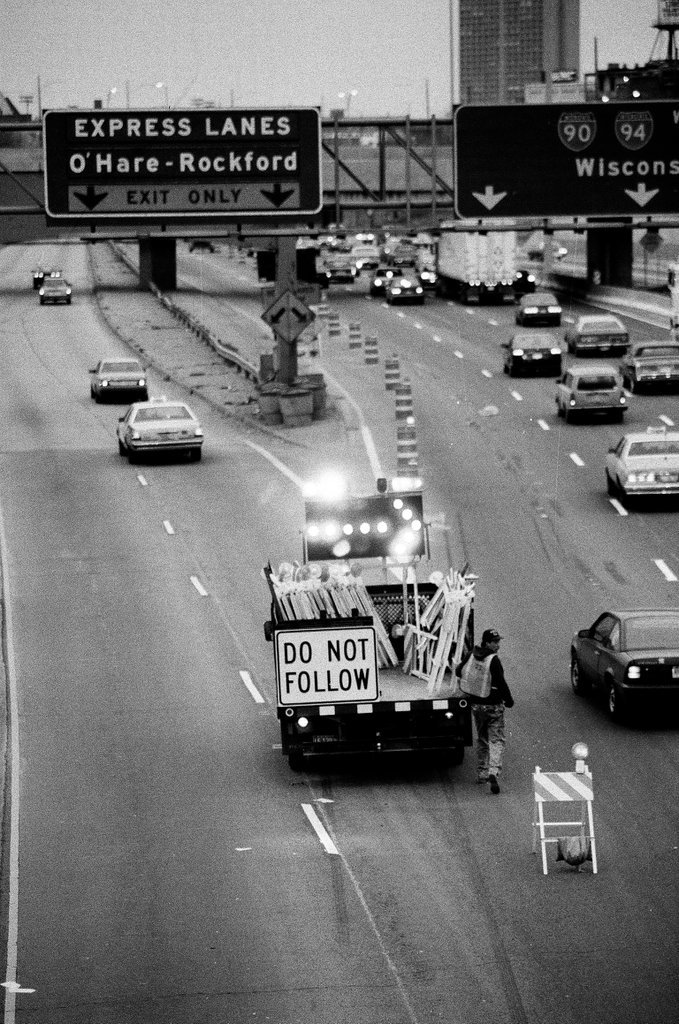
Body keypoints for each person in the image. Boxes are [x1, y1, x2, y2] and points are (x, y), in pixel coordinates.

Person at [457, 628, 514, 794]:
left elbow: (458, 671)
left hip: (476, 706)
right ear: (487, 642)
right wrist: (509, 700)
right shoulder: (493, 660)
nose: (498, 645)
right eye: (495, 642)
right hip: (493, 706)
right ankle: (493, 771)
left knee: (482, 738)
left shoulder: (471, 655)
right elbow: (501, 683)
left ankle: (482, 773)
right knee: (496, 740)